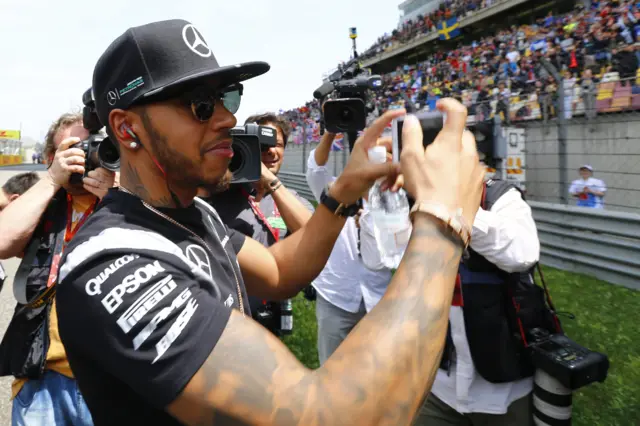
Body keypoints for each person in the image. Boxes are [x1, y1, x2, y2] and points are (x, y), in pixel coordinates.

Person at [55, 19, 484, 426]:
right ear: (128, 130)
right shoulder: (111, 263)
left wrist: (343, 192)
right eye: (201, 106)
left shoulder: (193, 213)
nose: (227, 118)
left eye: (229, 98)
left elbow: (279, 271)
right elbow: (332, 417)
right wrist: (441, 224)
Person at [0, 112, 115, 426]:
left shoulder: (126, 200)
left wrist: (120, 198)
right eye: (74, 147)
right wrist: (51, 179)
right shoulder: (43, 201)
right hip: (44, 379)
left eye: (93, 146)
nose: (84, 155)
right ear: (52, 156)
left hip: (115, 380)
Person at [410, 171, 542, 426]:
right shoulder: (413, 198)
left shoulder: (500, 195)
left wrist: (455, 210)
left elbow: (522, 253)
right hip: (437, 384)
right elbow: (381, 260)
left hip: (503, 389)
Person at [204, 112, 314, 334]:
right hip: (227, 309)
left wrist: (271, 184)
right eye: (262, 145)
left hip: (271, 307)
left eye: (278, 145)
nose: (271, 151)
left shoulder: (292, 200)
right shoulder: (218, 193)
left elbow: (314, 236)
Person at [305, 131, 394, 365]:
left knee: (375, 369)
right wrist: (330, 131)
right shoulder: (335, 191)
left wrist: (369, 223)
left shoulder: (394, 200)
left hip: (377, 297)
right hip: (337, 295)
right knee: (332, 369)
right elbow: (315, 168)